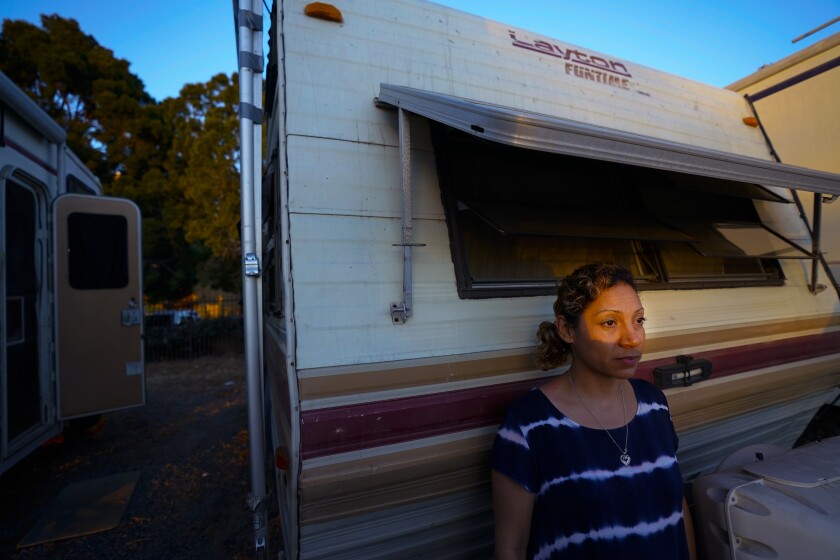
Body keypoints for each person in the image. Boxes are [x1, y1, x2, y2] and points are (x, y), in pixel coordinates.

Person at [492, 262, 696, 560]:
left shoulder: (654, 404)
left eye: (638, 320)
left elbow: (676, 508)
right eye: (609, 323)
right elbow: (511, 548)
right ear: (566, 330)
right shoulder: (529, 425)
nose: (633, 338)